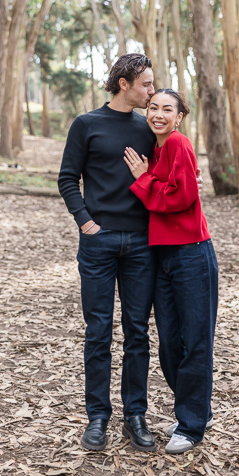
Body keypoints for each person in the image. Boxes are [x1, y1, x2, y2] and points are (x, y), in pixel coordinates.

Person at [58, 53, 157, 453]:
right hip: (98, 243)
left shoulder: (149, 127)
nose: (152, 91)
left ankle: (136, 416)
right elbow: (67, 177)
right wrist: (86, 222)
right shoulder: (86, 125)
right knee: (98, 332)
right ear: (124, 84)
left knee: (137, 332)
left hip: (141, 245)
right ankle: (97, 417)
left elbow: (164, 179)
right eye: (146, 84)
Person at [124, 89, 218, 455]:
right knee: (169, 343)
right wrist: (149, 177)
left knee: (195, 342)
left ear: (179, 117)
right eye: (153, 107)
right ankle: (195, 408)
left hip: (192, 254)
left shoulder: (178, 143)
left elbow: (182, 198)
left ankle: (193, 425)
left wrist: (144, 179)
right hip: (162, 256)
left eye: (167, 109)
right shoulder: (159, 147)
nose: (158, 113)